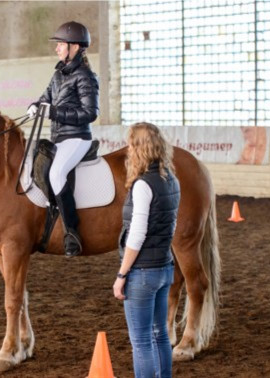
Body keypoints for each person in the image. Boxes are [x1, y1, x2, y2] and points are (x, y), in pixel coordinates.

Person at [26, 21, 99, 257]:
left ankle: (72, 233)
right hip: (58, 138)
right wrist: (36, 106)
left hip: (77, 138)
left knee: (57, 173)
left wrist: (54, 112)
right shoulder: (58, 74)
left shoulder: (85, 76)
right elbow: (45, 97)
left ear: (74, 47)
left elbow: (90, 113)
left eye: (60, 44)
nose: (57, 48)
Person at [113, 123, 180, 378]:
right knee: (160, 334)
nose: (129, 150)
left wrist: (122, 275)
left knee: (141, 341)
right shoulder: (171, 180)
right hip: (164, 267)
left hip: (142, 273)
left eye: (131, 146)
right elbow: (170, 225)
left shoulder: (142, 185)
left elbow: (137, 234)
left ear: (139, 149)